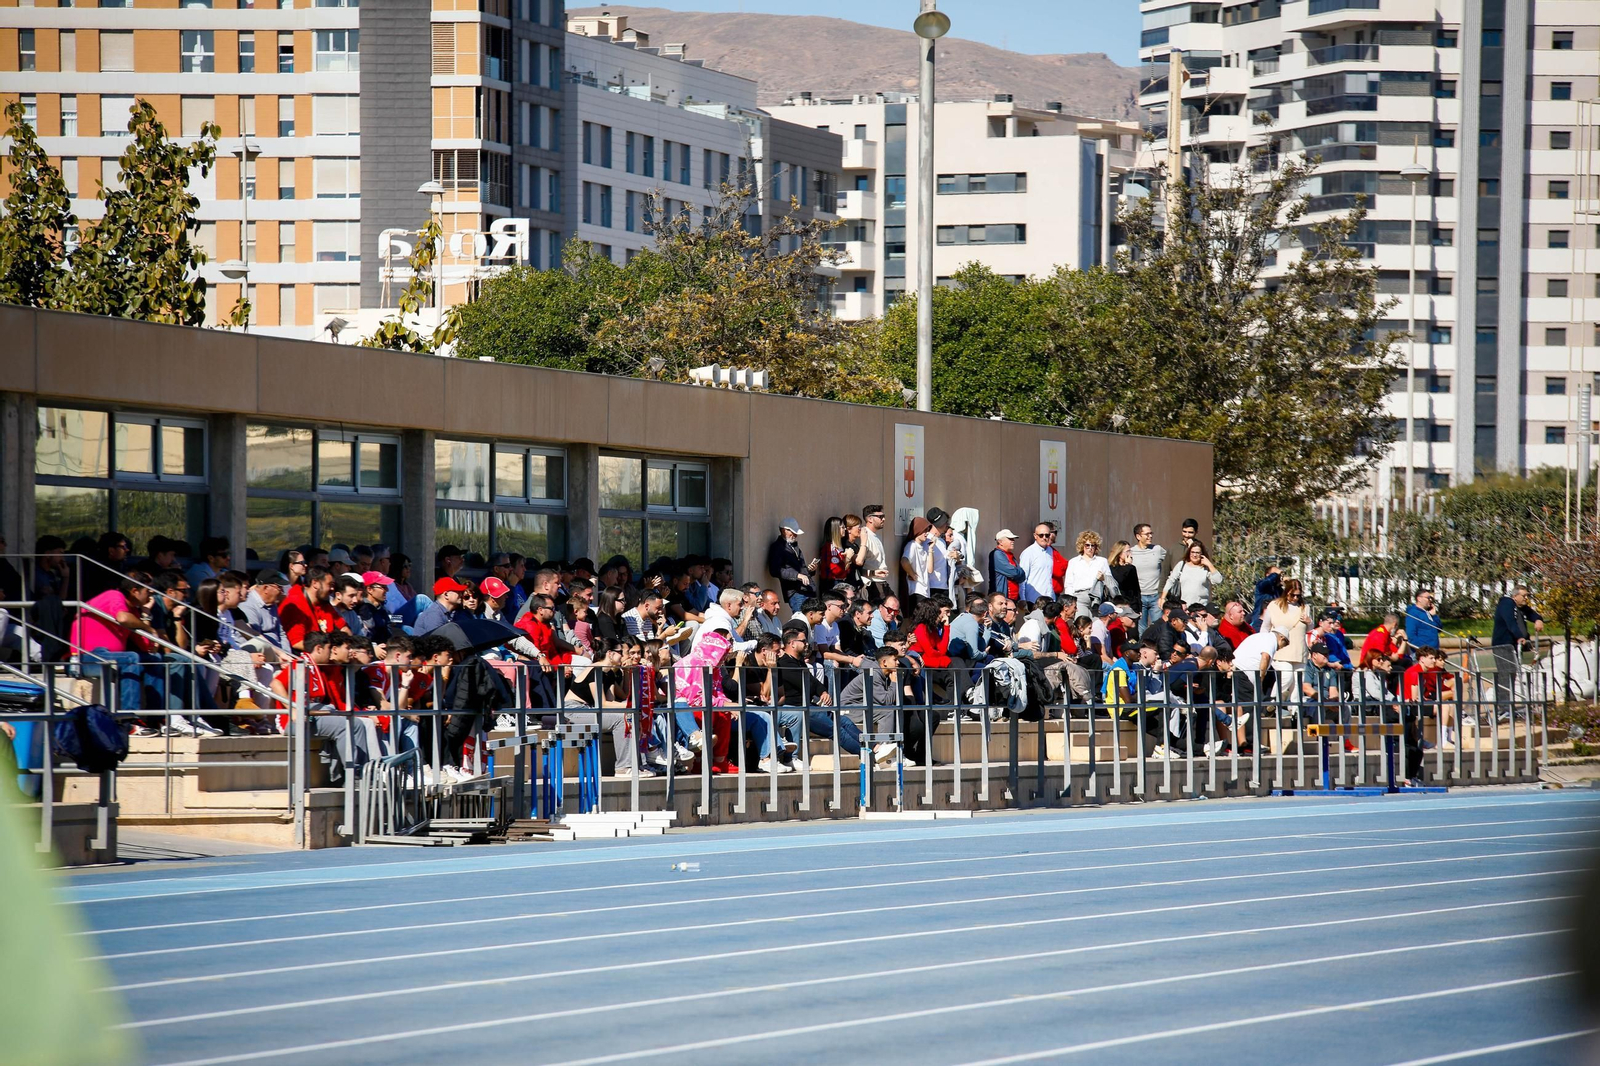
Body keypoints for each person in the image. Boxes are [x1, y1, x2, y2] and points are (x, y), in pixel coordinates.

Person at [1491, 585, 1543, 709]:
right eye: (1524, 596)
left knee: (1513, 673)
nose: (1526, 598)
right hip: (1503, 645)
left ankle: (1508, 704)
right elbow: (1511, 623)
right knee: (1506, 673)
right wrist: (1520, 637)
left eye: (1527, 596)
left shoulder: (1521, 607)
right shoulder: (1507, 604)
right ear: (1515, 596)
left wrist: (1538, 620)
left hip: (1515, 646)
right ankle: (1504, 706)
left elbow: (1532, 614)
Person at [1261, 578, 1311, 702]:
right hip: (1280, 650)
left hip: (1299, 650)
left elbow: (1309, 628)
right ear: (1286, 592)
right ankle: (1272, 701)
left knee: (1297, 683)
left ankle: (1295, 711)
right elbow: (1265, 627)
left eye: (1298, 595)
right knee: (1286, 676)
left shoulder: (1305, 607)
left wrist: (1310, 622)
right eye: (1292, 594)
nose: (1295, 598)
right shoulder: (1274, 605)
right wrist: (1265, 646)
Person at [275, 565, 346, 651]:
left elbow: (343, 627)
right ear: (315, 583)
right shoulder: (295, 604)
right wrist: (329, 652)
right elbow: (297, 643)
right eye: (330, 585)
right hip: (308, 658)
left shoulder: (323, 602)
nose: (332, 589)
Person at [768, 518, 817, 612]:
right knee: (801, 620)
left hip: (807, 590)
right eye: (793, 532)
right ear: (783, 530)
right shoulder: (777, 547)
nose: (795, 535)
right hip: (796, 592)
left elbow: (802, 569)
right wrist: (797, 576)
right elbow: (775, 570)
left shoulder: (794, 546)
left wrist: (811, 570)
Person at [1063, 530, 1115, 619]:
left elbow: (1111, 583)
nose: (1090, 548)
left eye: (1092, 545)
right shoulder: (1074, 562)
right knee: (1081, 624)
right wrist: (1071, 602)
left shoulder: (1102, 561)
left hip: (1097, 598)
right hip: (1080, 597)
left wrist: (1103, 578)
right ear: (1082, 546)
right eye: (1087, 545)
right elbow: (1069, 584)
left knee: (1096, 625)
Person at [1128, 524, 1169, 632]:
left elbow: (1171, 561)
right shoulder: (1131, 552)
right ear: (1138, 536)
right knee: (1142, 629)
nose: (1150, 536)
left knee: (1159, 628)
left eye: (1151, 533)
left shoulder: (1158, 549)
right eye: (1147, 534)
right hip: (1140, 597)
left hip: (1156, 596)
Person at [1162, 539, 1223, 609]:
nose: (1194, 555)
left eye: (1197, 553)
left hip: (1200, 608)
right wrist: (1163, 598)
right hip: (1184, 607)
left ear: (1202, 554)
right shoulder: (1182, 565)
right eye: (1192, 552)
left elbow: (1218, 580)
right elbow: (1171, 580)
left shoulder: (1205, 568)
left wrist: (1209, 564)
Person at [900, 516, 945, 600]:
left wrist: (931, 549)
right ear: (918, 530)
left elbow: (930, 570)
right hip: (916, 590)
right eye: (924, 530)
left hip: (925, 591)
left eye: (927, 530)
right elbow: (904, 561)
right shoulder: (912, 545)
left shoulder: (923, 548)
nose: (927, 533)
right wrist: (913, 575)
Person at [857, 504, 892, 600]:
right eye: (880, 517)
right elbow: (858, 564)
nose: (883, 519)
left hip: (881, 582)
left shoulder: (874, 536)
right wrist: (873, 573)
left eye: (883, 516)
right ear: (870, 519)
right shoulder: (864, 535)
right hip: (873, 585)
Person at [1017, 524, 1057, 605]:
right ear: (1035, 536)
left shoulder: (1051, 551)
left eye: (1047, 535)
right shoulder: (1028, 553)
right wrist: (1023, 599)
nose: (1044, 537)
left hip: (1050, 598)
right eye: (1041, 535)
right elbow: (1022, 578)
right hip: (1033, 599)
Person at [988, 529, 1026, 605]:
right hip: (1002, 598)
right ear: (1000, 541)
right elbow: (1014, 573)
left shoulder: (1010, 555)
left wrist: (1018, 573)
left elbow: (1022, 576)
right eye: (1010, 539)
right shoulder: (997, 554)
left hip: (1013, 598)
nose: (1013, 541)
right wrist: (1018, 573)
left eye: (1013, 539)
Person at [1107, 540, 1141, 607]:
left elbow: (1136, 589)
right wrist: (1127, 565)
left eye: (1130, 551)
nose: (1130, 554)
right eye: (1127, 551)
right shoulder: (1112, 567)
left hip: (1132, 604)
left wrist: (1139, 607)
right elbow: (1120, 579)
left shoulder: (1131, 568)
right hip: (1118, 604)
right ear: (1119, 553)